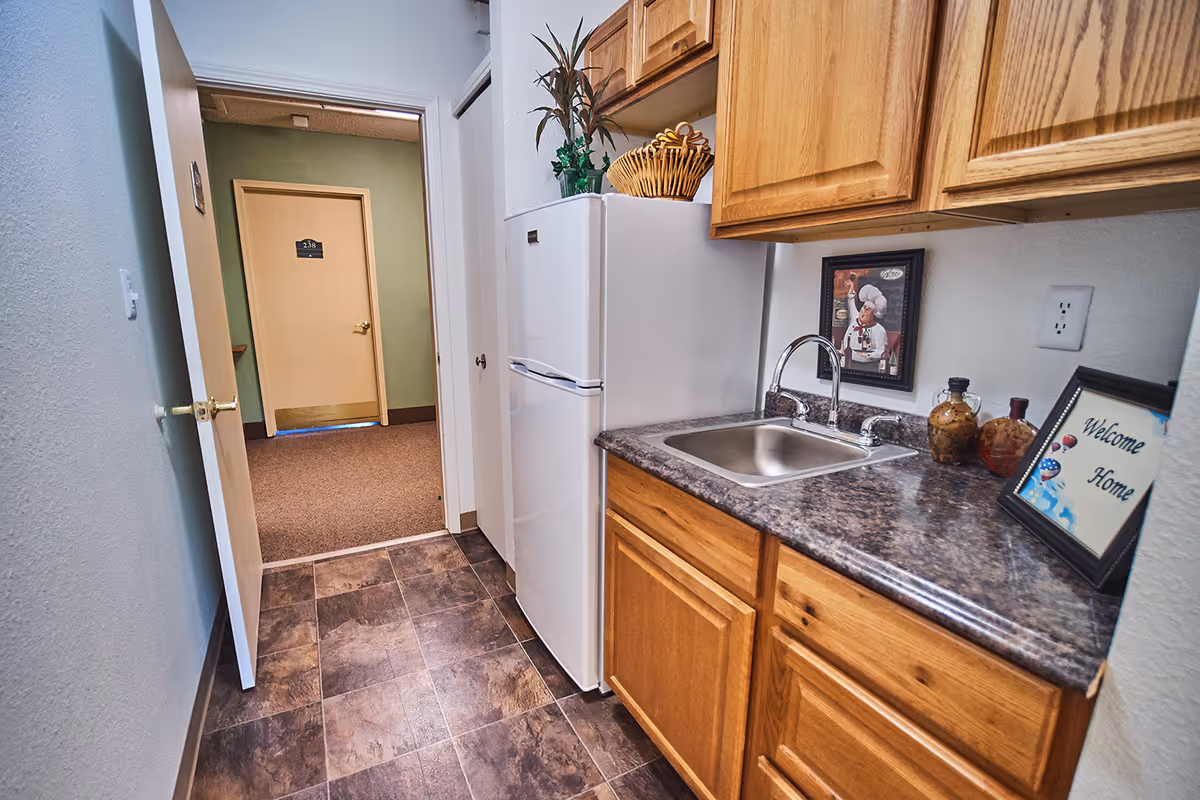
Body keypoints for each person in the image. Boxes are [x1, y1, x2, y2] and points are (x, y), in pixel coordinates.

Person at [845, 283, 888, 369]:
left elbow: (881, 350)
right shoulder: (854, 319)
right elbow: (851, 303)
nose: (863, 311)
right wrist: (851, 289)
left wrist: (867, 355)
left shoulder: (879, 330)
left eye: (867, 310)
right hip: (849, 363)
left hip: (870, 366)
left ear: (872, 315)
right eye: (863, 307)